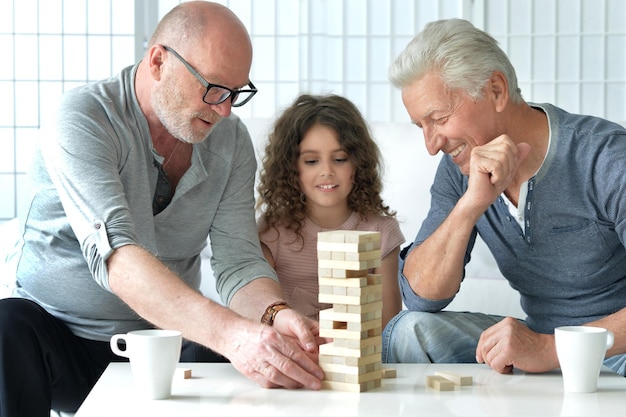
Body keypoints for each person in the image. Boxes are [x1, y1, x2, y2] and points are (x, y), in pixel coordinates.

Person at [0, 2, 324, 416]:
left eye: (235, 93)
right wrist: (231, 335)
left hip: (159, 344)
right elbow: (118, 258)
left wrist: (272, 315)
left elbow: (239, 262)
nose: (224, 109)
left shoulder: (232, 142)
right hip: (56, 342)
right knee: (5, 326)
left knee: (258, 356)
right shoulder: (84, 118)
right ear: (158, 62)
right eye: (214, 88)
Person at [382, 18, 626, 376]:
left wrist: (551, 349)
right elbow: (422, 297)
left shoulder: (605, 156)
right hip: (535, 340)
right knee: (408, 333)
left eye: (439, 118)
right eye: (422, 127)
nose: (431, 145)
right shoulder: (459, 170)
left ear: (496, 90)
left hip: (614, 348)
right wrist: (470, 205)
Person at [256, 94, 405, 329]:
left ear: (358, 164)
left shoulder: (381, 231)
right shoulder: (271, 231)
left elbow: (388, 325)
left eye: (339, 159)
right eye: (311, 161)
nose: (327, 171)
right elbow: (260, 315)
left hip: (357, 359)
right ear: (291, 168)